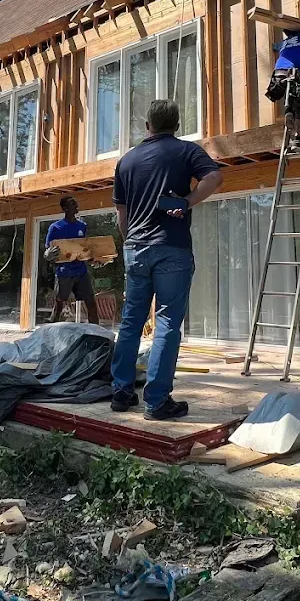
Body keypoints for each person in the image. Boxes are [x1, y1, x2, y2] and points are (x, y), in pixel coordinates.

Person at [110, 99, 223, 420]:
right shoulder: (187, 151)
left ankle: (120, 391)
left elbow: (122, 214)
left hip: (136, 248)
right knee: (167, 324)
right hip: (172, 247)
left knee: (131, 321)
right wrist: (187, 201)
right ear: (177, 124)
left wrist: (130, 240)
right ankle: (157, 401)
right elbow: (214, 179)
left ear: (148, 126)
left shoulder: (127, 161)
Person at [44, 195, 99, 324]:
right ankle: (51, 334)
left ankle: (97, 336)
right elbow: (48, 250)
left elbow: (86, 248)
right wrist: (47, 255)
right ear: (65, 208)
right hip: (64, 273)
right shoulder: (56, 228)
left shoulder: (82, 226)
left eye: (76, 203)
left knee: (91, 304)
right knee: (59, 307)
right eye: (73, 204)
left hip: (81, 272)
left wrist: (94, 260)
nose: (76, 205)